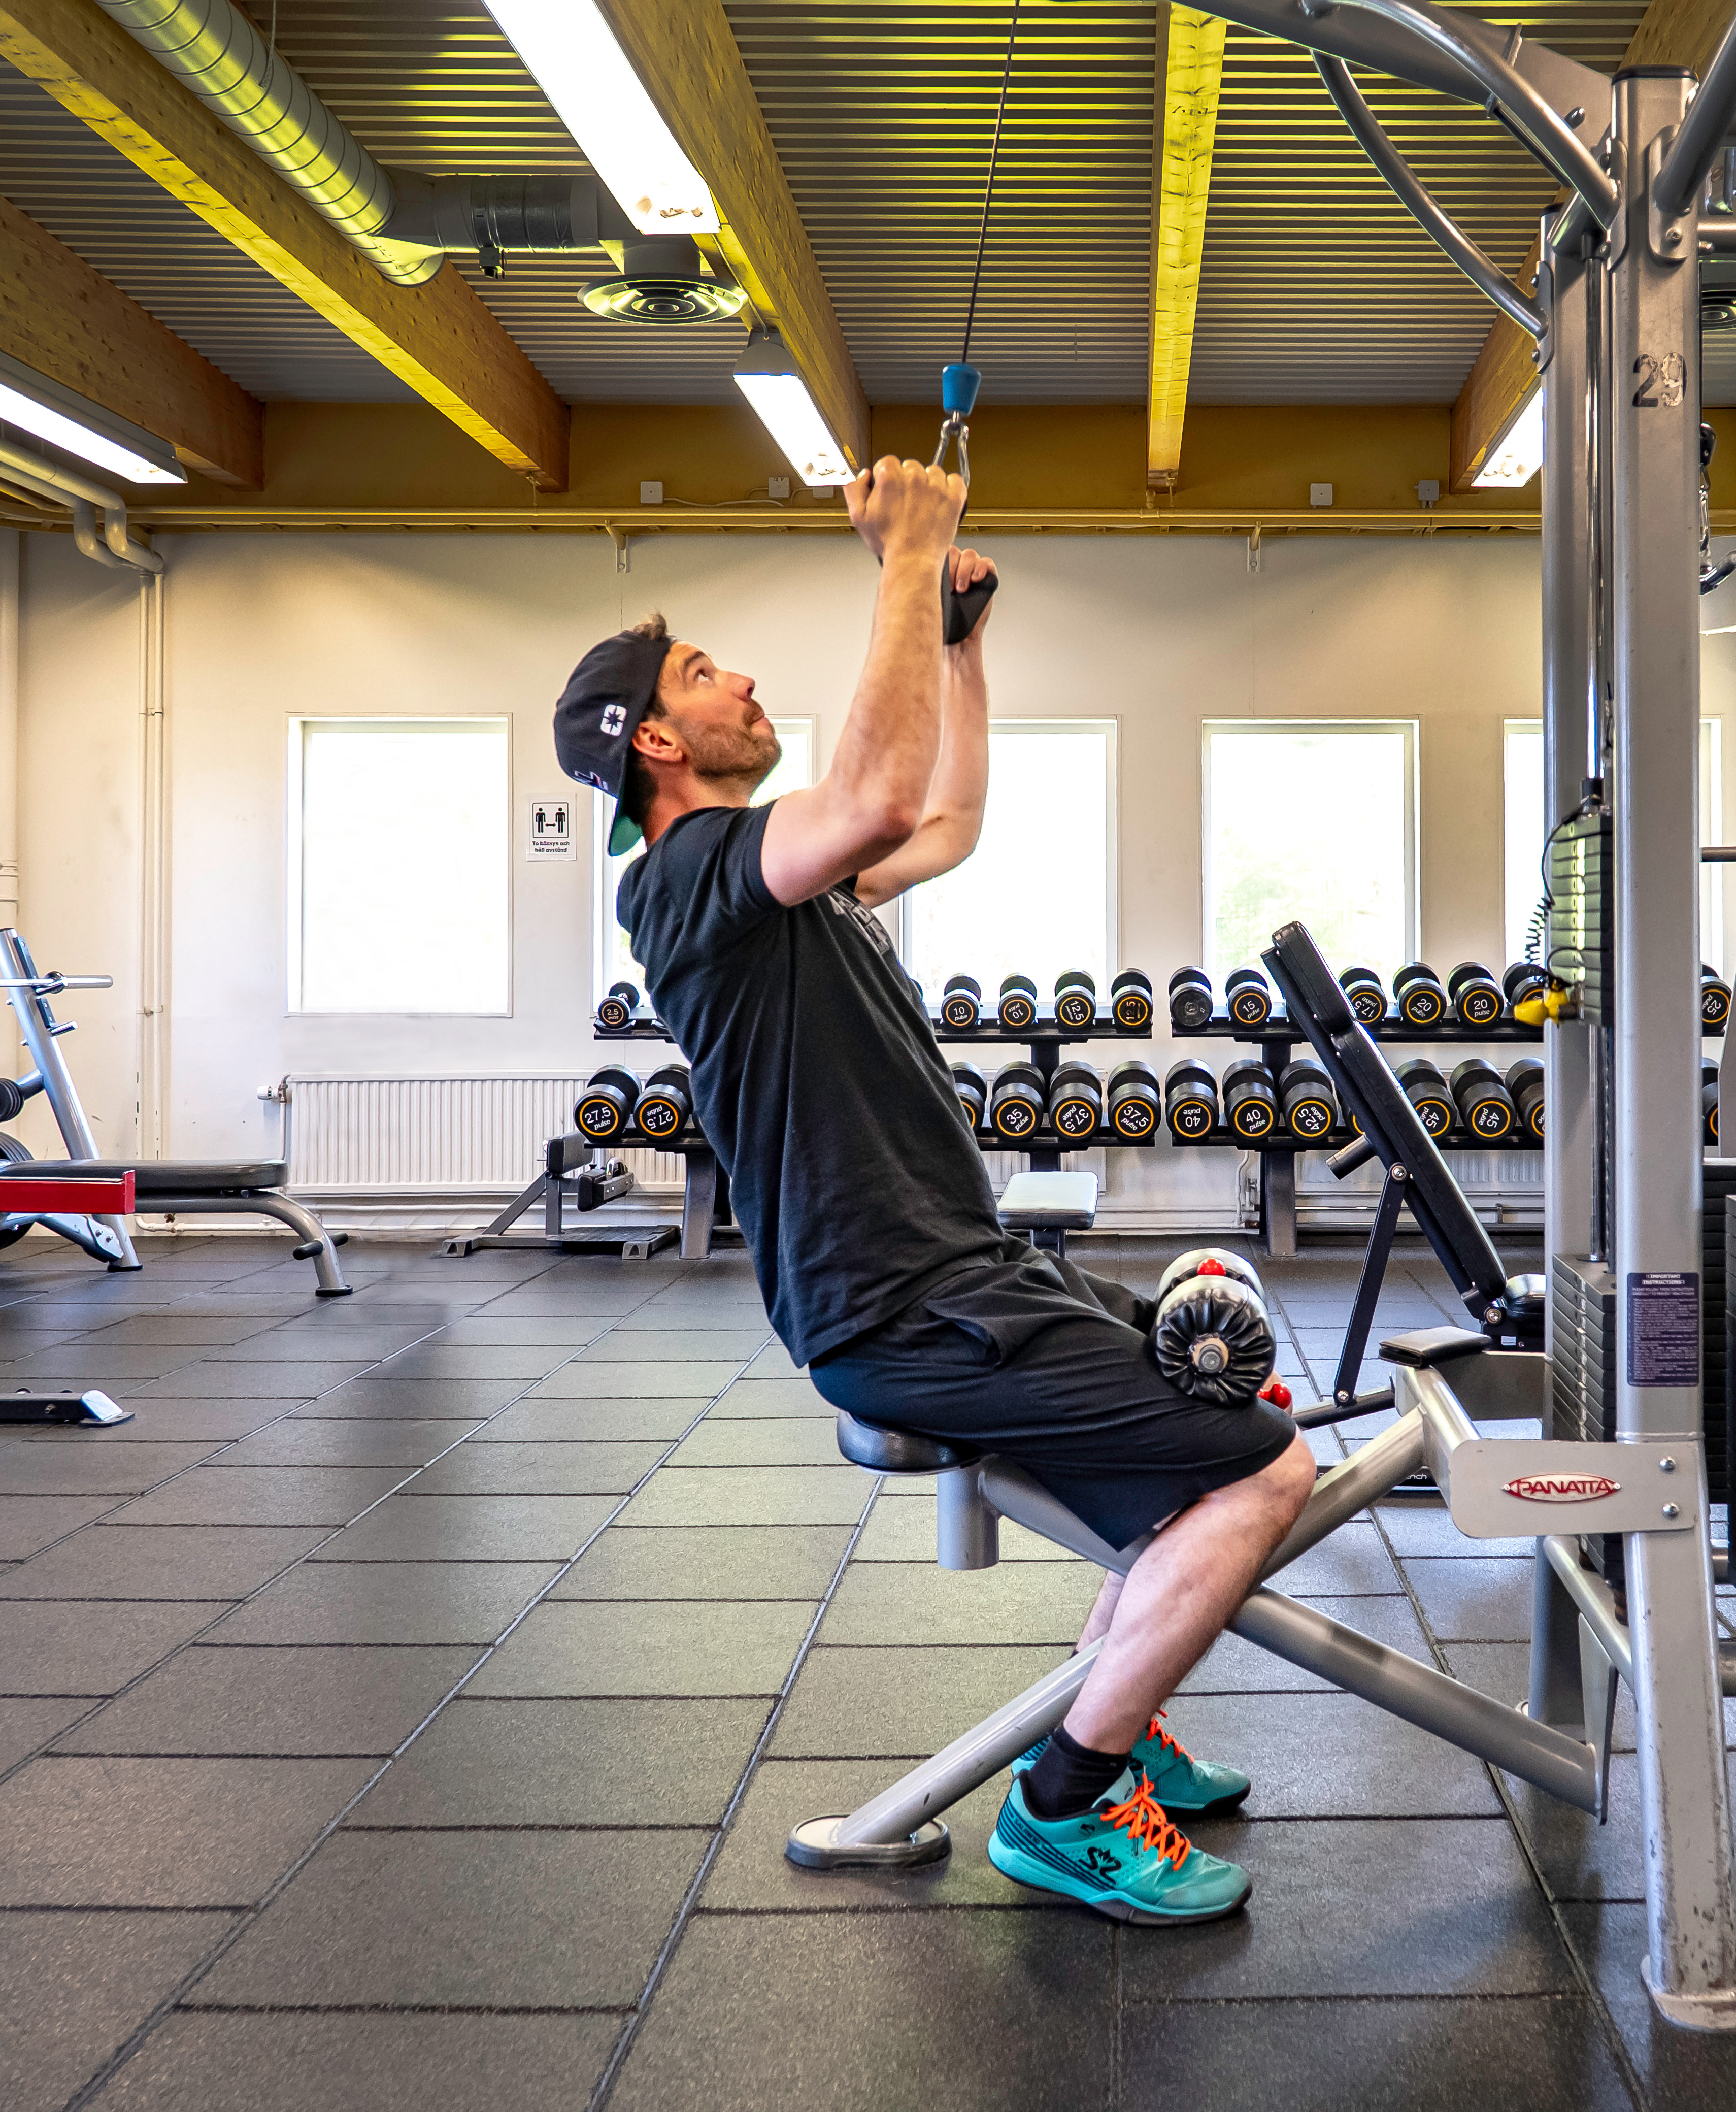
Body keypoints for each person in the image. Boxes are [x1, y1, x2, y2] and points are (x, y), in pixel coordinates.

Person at [549, 455, 1316, 1927]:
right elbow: (878, 789)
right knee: (1265, 1474)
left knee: (1220, 1417)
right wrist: (906, 555)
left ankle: (1119, 1703)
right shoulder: (689, 874)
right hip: (899, 1309)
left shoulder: (788, 881)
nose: (743, 681)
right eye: (707, 674)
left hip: (967, 1273)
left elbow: (945, 817)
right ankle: (1066, 1804)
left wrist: (961, 645)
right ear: (654, 739)